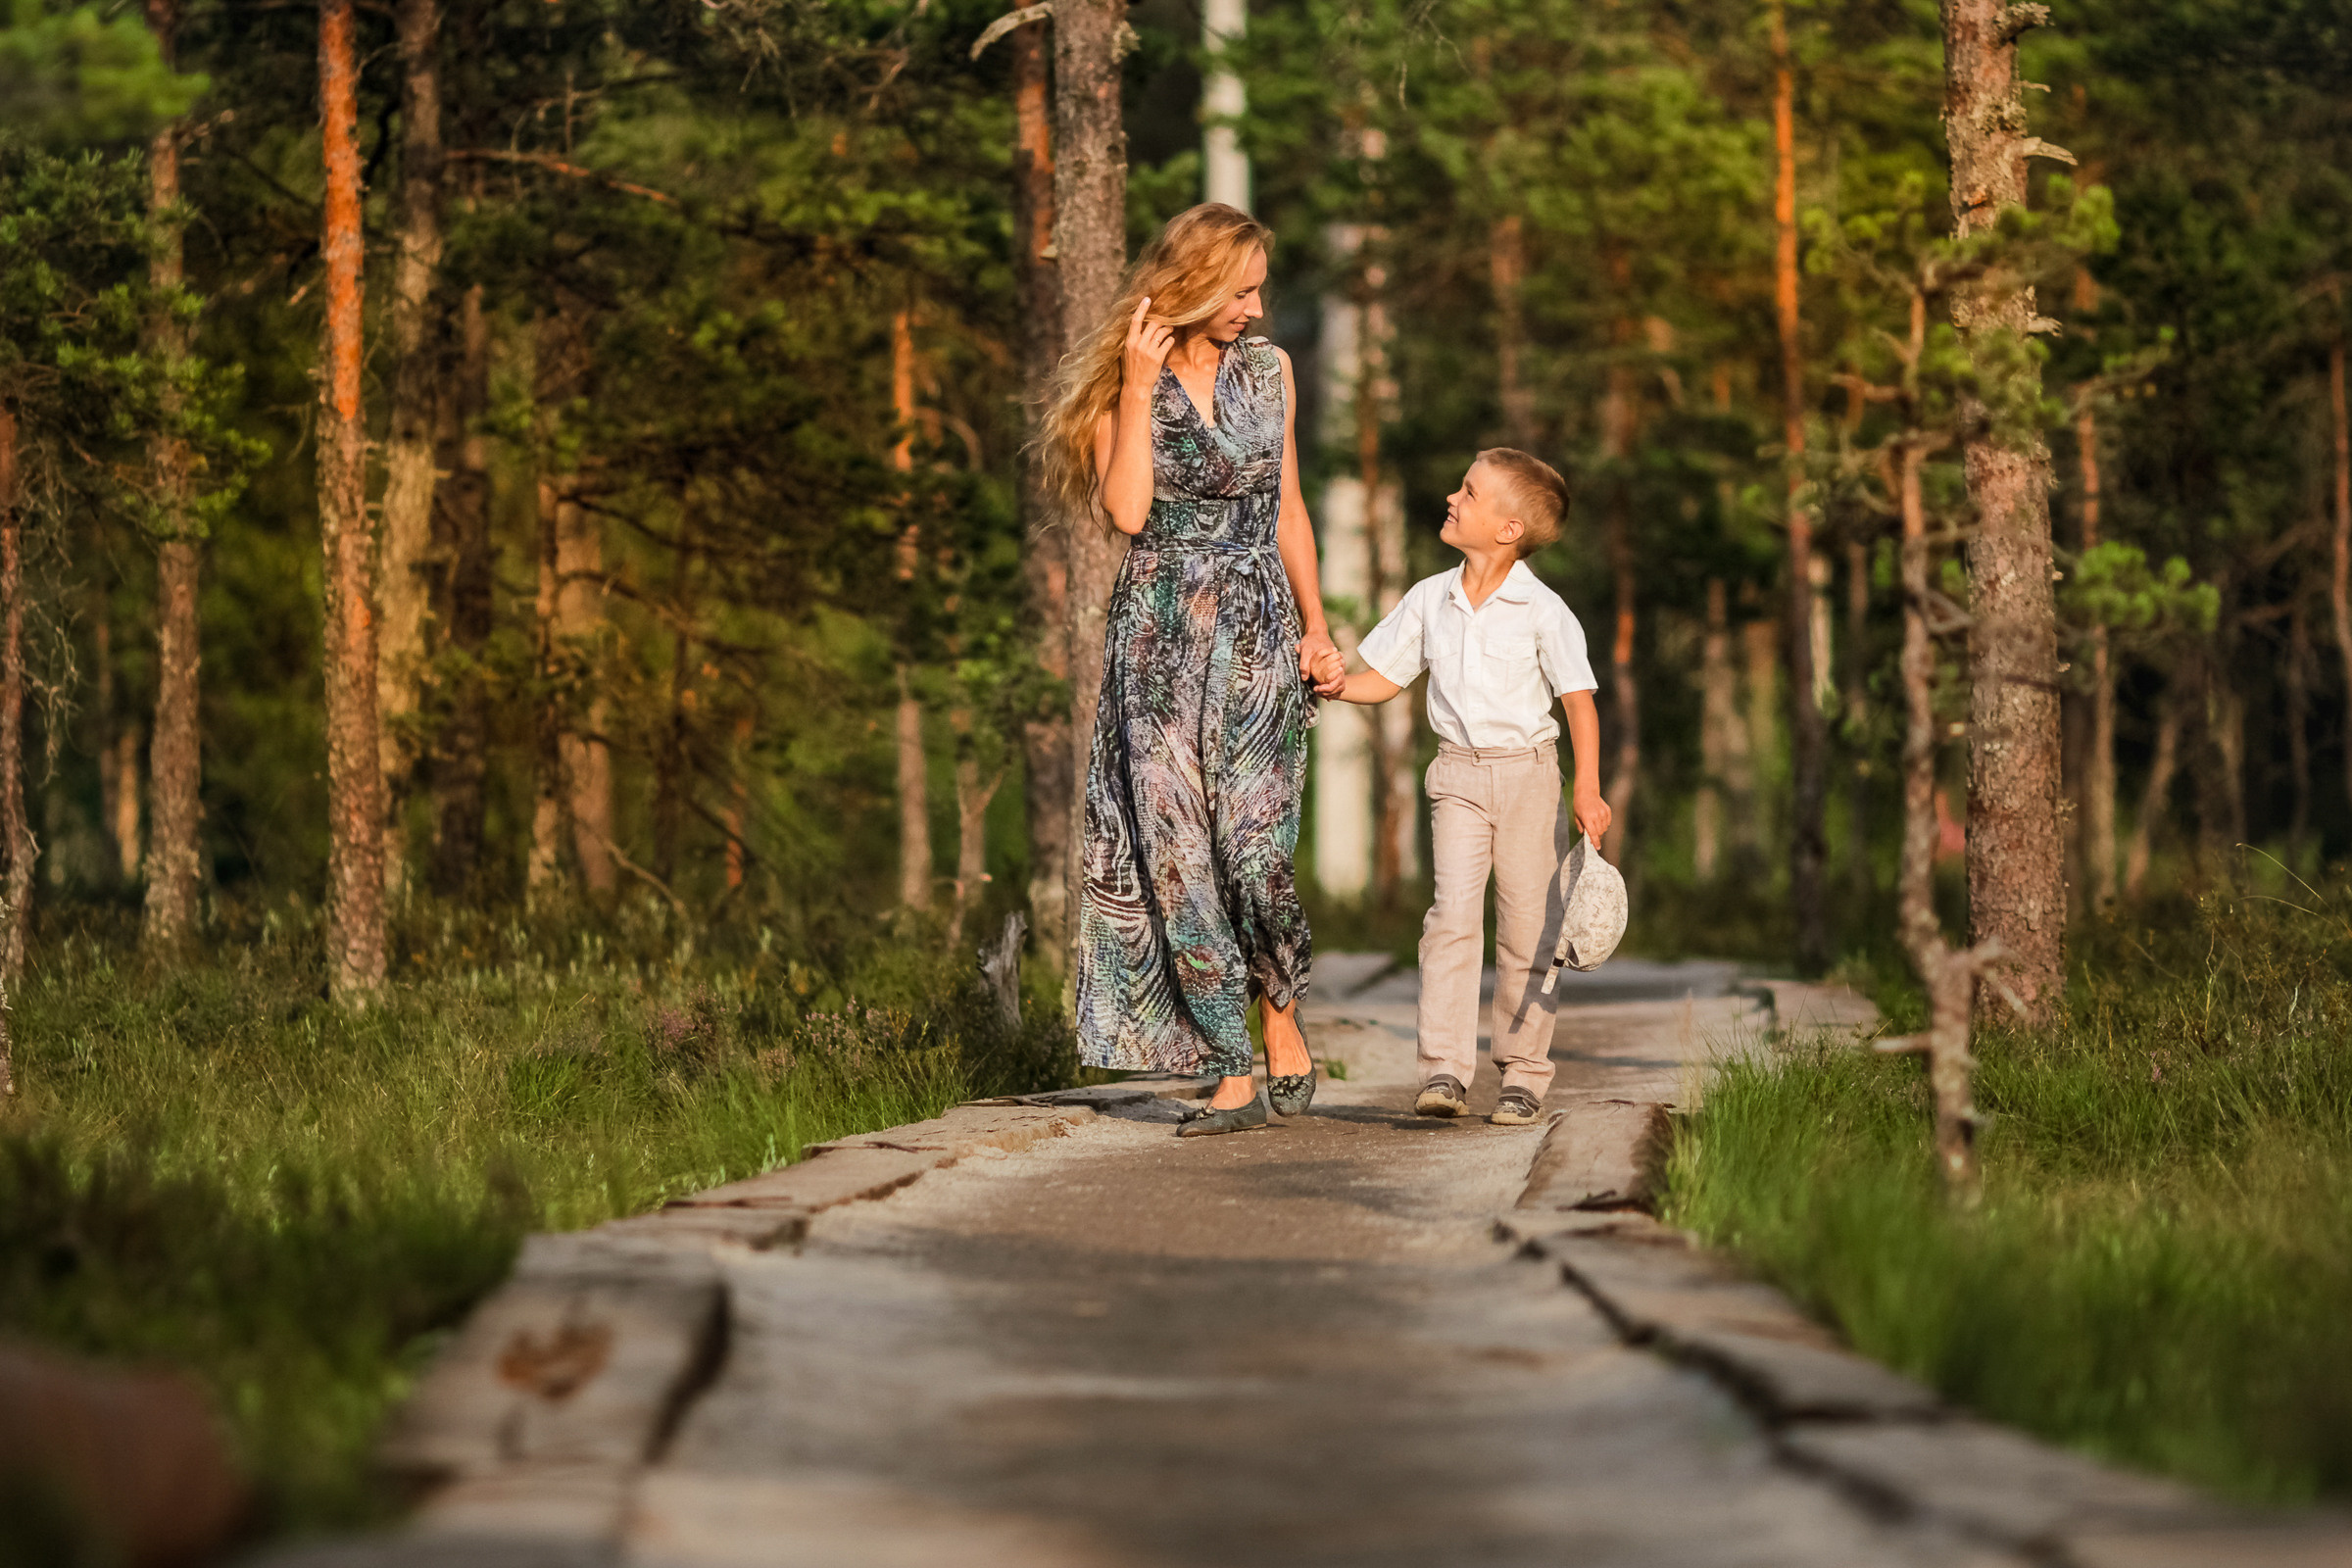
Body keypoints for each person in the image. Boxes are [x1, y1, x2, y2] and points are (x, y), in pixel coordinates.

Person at [1040, 203, 1344, 1138]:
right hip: (1159, 643)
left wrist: (1319, 632)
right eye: (1240, 289)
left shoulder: (1272, 370)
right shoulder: (1116, 394)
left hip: (1257, 629)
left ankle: (1281, 1016)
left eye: (1259, 288)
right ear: (1192, 284)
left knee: (1255, 849)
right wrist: (1136, 388)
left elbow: (1288, 507)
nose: (1255, 307)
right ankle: (1228, 1067)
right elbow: (1128, 512)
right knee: (1177, 855)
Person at [1311, 450, 1612, 1126]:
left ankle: (1523, 1073)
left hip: (1531, 777)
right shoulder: (1429, 598)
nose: (1453, 497)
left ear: (1507, 529)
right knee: (1449, 918)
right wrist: (1336, 687)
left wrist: (1587, 789)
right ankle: (1444, 1069)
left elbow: (1580, 703)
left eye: (1469, 493)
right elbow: (1384, 679)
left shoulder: (1543, 609)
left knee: (1529, 931)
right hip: (1457, 776)